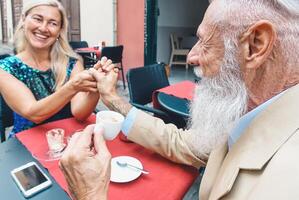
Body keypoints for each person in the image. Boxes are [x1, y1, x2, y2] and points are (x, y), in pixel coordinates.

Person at [60, 0, 299, 199]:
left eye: (205, 41)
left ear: (255, 45)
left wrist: (90, 194)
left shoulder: (285, 182)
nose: (192, 57)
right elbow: (182, 143)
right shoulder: (248, 111)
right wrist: (112, 98)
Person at [0, 0, 114, 136]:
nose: (43, 28)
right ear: (24, 20)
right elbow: (33, 113)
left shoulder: (72, 63)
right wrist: (72, 87)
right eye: (37, 19)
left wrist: (95, 86)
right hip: (25, 143)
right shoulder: (6, 68)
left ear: (60, 31)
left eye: (52, 23)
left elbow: (80, 114)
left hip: (67, 139)